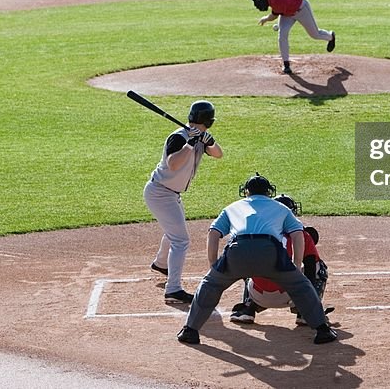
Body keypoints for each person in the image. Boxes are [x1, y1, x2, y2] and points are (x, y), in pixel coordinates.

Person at [176, 174, 337, 346]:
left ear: (246, 191)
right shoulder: (281, 208)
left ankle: (190, 330)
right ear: (268, 192)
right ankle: (322, 330)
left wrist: (214, 266)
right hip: (270, 253)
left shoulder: (232, 207)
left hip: (237, 252)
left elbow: (213, 233)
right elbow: (298, 234)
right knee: (302, 286)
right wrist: (296, 266)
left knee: (209, 285)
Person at [144, 100, 222, 305]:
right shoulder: (179, 137)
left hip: (170, 194)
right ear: (210, 121)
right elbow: (173, 164)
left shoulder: (199, 138)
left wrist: (209, 142)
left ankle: (161, 263)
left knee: (174, 231)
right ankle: (173, 289)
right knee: (180, 240)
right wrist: (190, 143)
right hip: (160, 193)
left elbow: (218, 154)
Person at [229, 193, 332, 326]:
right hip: (289, 294)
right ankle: (307, 312)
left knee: (252, 264)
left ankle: (248, 308)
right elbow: (310, 268)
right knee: (318, 267)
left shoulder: (256, 231)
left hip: (258, 295)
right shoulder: (301, 235)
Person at [254, 0, 336, 75]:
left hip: (301, 10)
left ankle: (330, 36)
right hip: (287, 14)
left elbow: (273, 16)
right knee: (282, 35)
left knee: (315, 34)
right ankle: (286, 64)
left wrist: (265, 18)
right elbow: (275, 6)